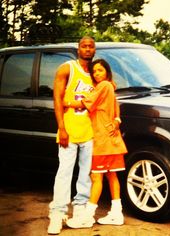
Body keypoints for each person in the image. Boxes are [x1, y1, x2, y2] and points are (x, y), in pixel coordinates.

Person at [64, 59, 128, 228]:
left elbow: (86, 103)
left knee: (96, 177)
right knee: (111, 175)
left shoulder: (103, 86)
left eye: (100, 70)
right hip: (111, 139)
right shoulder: (110, 87)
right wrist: (116, 120)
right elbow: (116, 112)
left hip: (101, 139)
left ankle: (87, 216)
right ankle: (116, 213)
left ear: (107, 71)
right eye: (94, 72)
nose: (97, 73)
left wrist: (66, 102)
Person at [47, 36, 96, 235]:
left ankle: (80, 208)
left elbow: (108, 92)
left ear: (94, 50)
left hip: (90, 131)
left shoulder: (97, 72)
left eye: (91, 46)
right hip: (70, 128)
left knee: (86, 173)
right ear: (78, 49)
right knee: (64, 172)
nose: (87, 49)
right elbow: (57, 99)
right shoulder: (67, 68)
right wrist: (62, 127)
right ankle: (57, 213)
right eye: (84, 46)